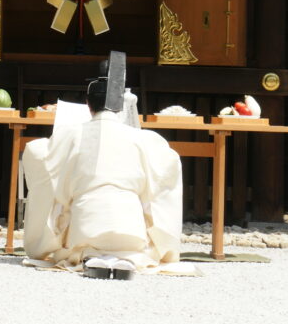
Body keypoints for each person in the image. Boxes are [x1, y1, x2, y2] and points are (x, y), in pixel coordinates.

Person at [22, 54, 183, 278]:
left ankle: (92, 254)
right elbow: (169, 163)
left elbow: (37, 154)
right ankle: (125, 255)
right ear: (119, 107)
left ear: (88, 105)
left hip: (84, 229)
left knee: (69, 205)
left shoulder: (69, 135)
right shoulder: (144, 139)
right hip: (131, 233)